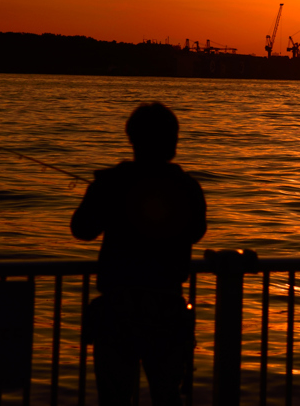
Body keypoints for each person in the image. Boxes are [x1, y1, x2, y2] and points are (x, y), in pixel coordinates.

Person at [71, 102, 207, 406]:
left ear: (133, 139)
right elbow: (197, 231)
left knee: (113, 397)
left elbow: (82, 229)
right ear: (172, 141)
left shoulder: (110, 183)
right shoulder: (188, 188)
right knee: (167, 396)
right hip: (168, 309)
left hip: (117, 310)